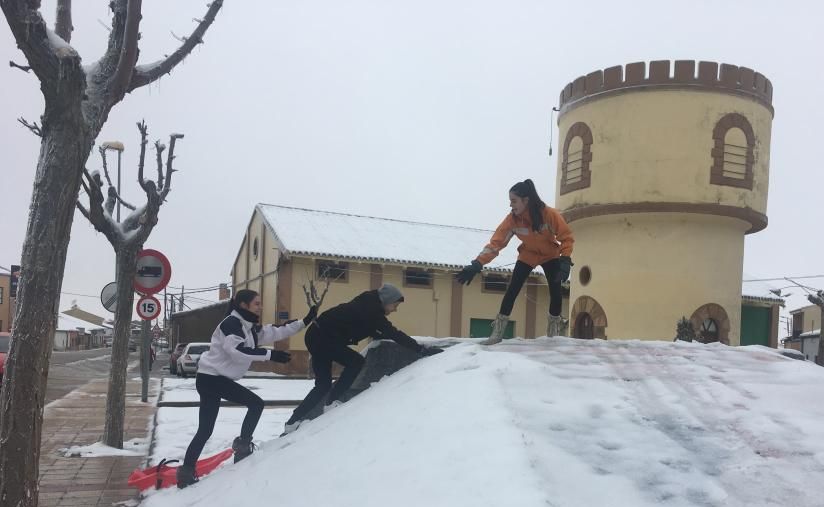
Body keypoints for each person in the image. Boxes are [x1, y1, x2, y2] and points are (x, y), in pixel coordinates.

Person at [177, 289, 316, 488]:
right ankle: (242, 449)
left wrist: (305, 321)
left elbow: (275, 331)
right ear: (243, 305)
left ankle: (186, 474)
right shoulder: (231, 324)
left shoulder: (247, 327)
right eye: (257, 303)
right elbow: (237, 352)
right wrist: (270, 356)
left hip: (211, 378)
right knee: (255, 404)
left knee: (206, 429)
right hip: (212, 379)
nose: (261, 306)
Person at [282, 283, 441, 433]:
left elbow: (362, 325)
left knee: (323, 385)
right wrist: (420, 349)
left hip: (316, 335)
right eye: (395, 305)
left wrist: (377, 334)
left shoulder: (367, 304)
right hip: (323, 338)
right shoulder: (371, 311)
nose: (395, 310)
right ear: (386, 301)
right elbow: (393, 333)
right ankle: (333, 402)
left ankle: (292, 422)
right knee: (356, 362)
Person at [455, 179, 574, 344]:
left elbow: (566, 237)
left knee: (555, 291)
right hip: (528, 255)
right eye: (510, 201)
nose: (511, 205)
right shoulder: (512, 220)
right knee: (513, 289)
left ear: (526, 200)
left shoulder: (549, 214)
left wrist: (565, 259)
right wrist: (478, 263)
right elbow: (496, 243)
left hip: (550, 254)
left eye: (514, 201)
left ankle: (553, 334)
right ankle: (497, 332)